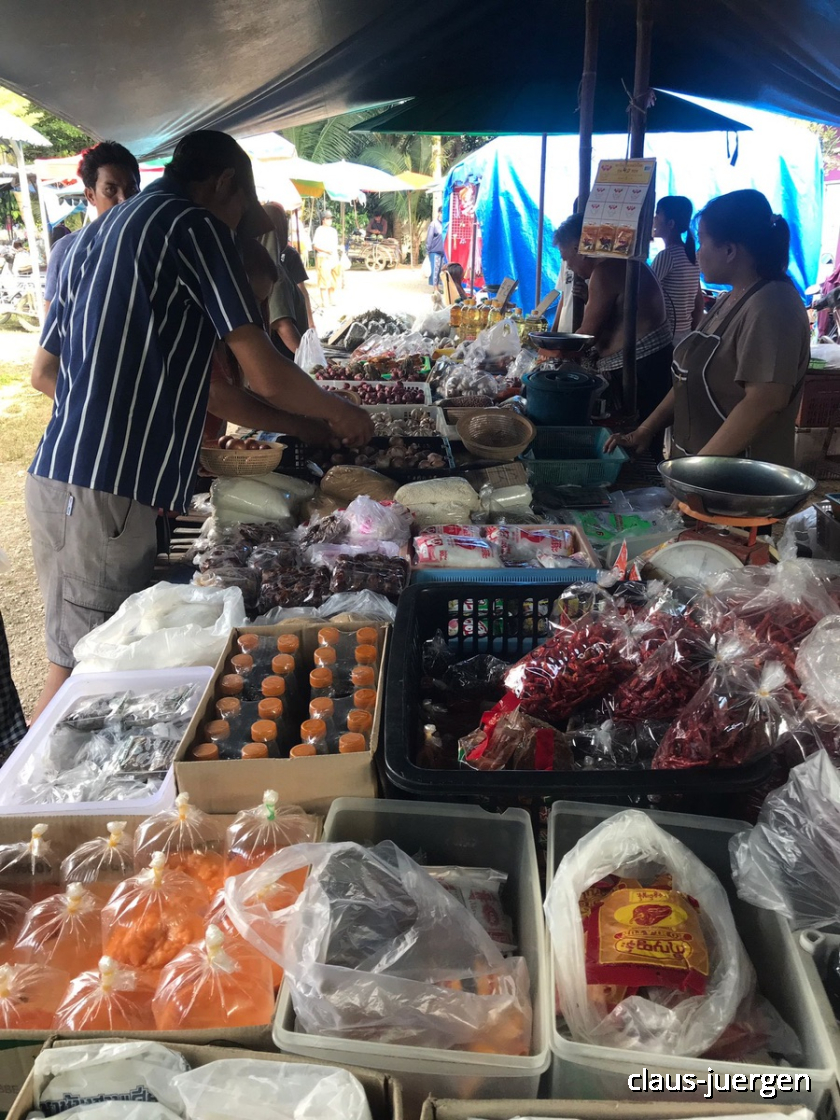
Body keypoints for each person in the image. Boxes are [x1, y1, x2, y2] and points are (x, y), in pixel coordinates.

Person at [26, 129, 372, 721]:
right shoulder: (192, 225)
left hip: (71, 482)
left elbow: (211, 390)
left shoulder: (94, 237)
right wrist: (339, 412)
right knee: (87, 673)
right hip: (102, 492)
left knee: (105, 666)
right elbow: (263, 373)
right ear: (225, 184)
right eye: (241, 212)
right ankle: (28, 781)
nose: (236, 229)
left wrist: (308, 427)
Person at [607, 189, 810, 467]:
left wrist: (696, 471)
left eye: (702, 242)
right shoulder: (730, 299)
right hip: (702, 473)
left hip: (741, 479)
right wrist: (646, 429)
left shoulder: (772, 304)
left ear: (729, 250)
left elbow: (764, 402)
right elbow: (687, 378)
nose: (697, 252)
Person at [554, 213, 673, 450]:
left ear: (579, 248)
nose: (569, 267)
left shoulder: (606, 271)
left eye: (567, 259)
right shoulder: (626, 264)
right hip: (652, 366)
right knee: (646, 441)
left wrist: (552, 349)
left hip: (641, 371)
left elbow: (587, 336)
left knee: (634, 443)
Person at [203, 239, 329, 446]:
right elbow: (218, 396)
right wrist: (301, 424)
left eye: (261, 302)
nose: (254, 312)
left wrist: (295, 415)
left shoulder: (224, 337)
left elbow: (238, 392)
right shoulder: (198, 328)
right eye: (249, 301)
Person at [43, 142, 141, 313]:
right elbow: (52, 319)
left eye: (131, 189)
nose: (123, 200)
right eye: (110, 190)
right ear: (90, 195)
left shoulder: (149, 245)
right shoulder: (67, 250)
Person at [651, 195, 704, 345]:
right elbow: (699, 302)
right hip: (684, 334)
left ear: (671, 223)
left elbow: (642, 294)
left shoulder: (667, 256)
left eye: (658, 213)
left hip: (666, 336)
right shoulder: (692, 255)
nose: (654, 219)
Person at [260, 204, 312, 356]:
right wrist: (309, 359)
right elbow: (283, 325)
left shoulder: (262, 266)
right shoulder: (274, 273)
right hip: (283, 357)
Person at [312, 211, 341, 308]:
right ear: (323, 220)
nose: (330, 220)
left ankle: (332, 299)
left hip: (334, 257)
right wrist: (326, 251)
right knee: (323, 279)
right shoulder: (319, 230)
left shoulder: (333, 231)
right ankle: (324, 301)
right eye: (328, 218)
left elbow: (335, 245)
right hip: (323, 257)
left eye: (331, 218)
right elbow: (315, 246)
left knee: (334, 279)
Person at [426, 208, 446, 290]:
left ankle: (439, 287)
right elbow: (429, 238)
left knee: (441, 271)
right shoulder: (433, 224)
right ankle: (435, 289)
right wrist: (427, 251)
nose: (443, 215)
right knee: (435, 270)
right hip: (435, 251)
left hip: (444, 252)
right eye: (442, 212)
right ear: (439, 213)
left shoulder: (446, 224)